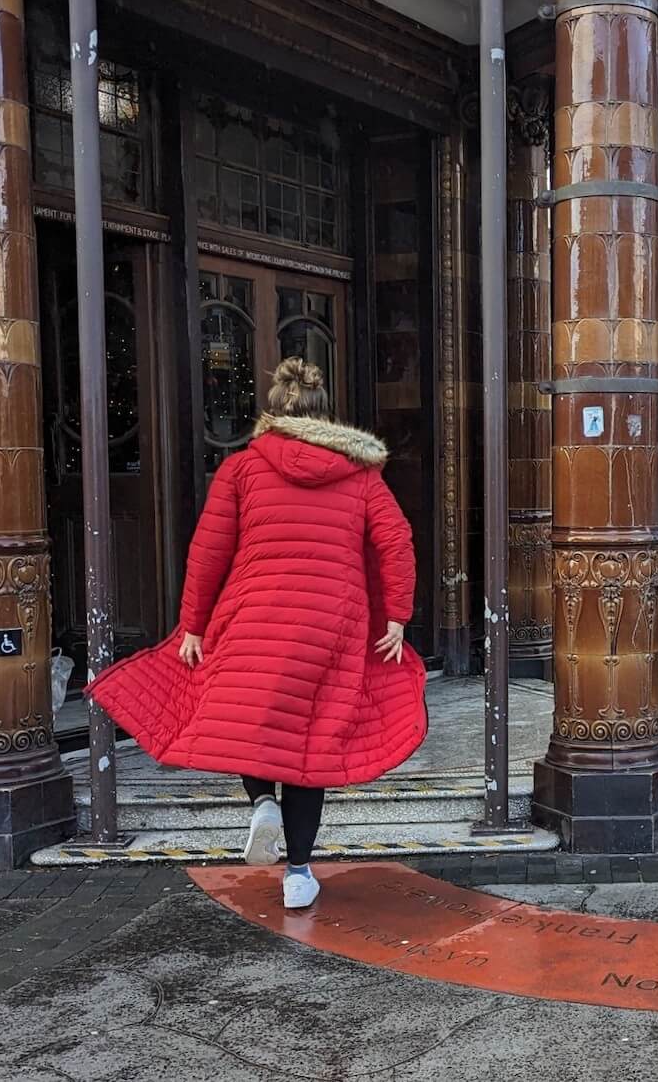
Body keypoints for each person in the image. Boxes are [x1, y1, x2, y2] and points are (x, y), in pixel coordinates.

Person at [87, 357, 427, 910]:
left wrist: (193, 624)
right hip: (329, 625)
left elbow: (209, 551)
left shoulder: (242, 468)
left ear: (273, 410)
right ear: (325, 415)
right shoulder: (362, 475)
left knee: (253, 720)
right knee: (310, 745)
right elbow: (396, 543)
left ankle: (261, 801)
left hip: (254, 614)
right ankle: (297, 874)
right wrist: (396, 616)